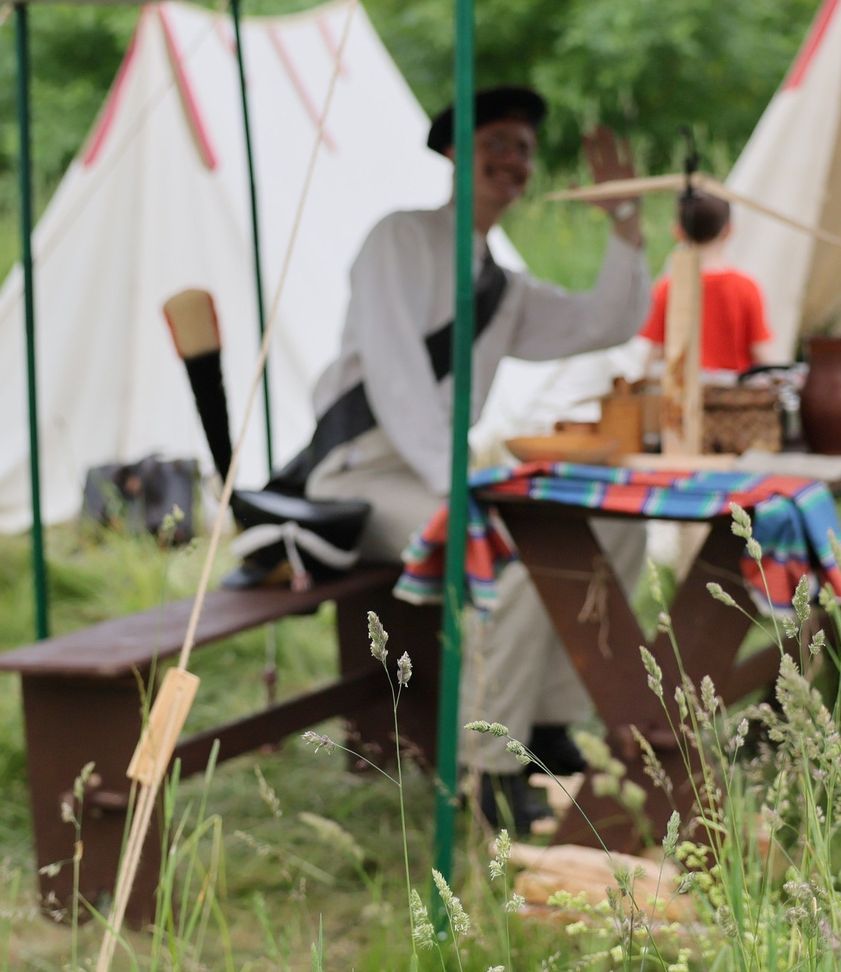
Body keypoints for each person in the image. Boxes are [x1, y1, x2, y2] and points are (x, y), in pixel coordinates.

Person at [301, 86, 650, 828]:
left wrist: (625, 224)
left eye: (521, 148)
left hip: (438, 470)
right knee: (510, 557)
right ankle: (486, 770)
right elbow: (395, 373)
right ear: (456, 152)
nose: (510, 160)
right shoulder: (401, 238)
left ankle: (549, 722)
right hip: (365, 473)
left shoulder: (504, 282)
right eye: (495, 142)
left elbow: (607, 320)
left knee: (613, 528)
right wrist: (458, 485)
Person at [635, 188, 774, 381]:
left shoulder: (668, 288)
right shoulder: (746, 287)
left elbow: (656, 353)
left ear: (678, 232)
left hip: (684, 394)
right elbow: (760, 353)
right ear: (728, 231)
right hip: (736, 400)